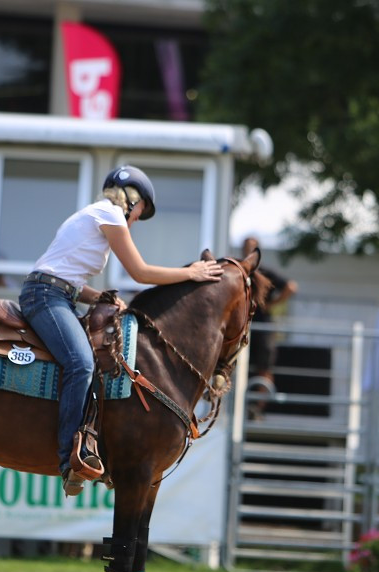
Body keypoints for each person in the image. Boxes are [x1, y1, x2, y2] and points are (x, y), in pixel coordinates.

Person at [20, 165, 223, 496]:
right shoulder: (110, 214)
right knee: (81, 363)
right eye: (141, 211)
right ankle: (71, 457)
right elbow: (140, 273)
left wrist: (99, 297)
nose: (138, 219)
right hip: (46, 296)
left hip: (54, 293)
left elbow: (66, 278)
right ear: (133, 200)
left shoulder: (95, 215)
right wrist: (192, 273)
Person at [242, 236, 298, 418]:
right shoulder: (239, 270)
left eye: (252, 248)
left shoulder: (265, 273)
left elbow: (291, 287)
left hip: (263, 327)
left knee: (264, 368)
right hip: (241, 327)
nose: (248, 251)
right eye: (246, 247)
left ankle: (257, 408)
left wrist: (272, 304)